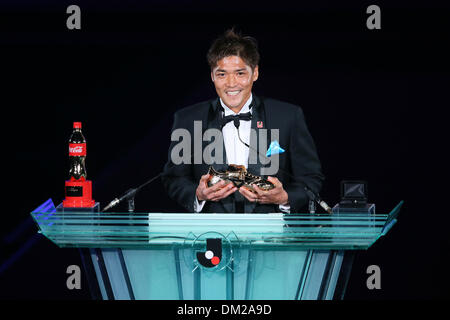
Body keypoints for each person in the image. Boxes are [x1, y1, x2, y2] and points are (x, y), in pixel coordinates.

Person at [162, 29, 324, 213]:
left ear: (255, 73)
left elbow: (310, 178)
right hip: (209, 232)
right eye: (222, 74)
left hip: (271, 235)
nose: (231, 83)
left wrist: (285, 197)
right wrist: (198, 195)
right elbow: (173, 178)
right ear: (212, 76)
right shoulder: (187, 119)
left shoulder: (288, 116)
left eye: (240, 73)